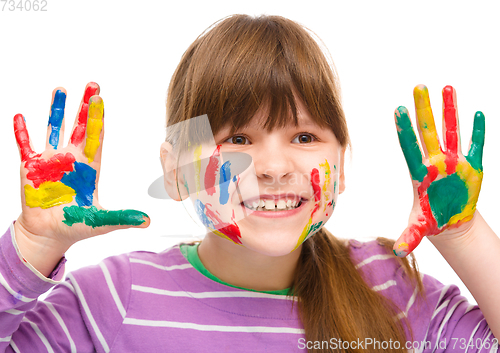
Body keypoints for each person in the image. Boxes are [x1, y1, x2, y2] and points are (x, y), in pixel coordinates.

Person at [0, 14, 498, 353]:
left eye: (304, 136)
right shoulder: (113, 297)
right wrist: (33, 243)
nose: (274, 166)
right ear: (176, 172)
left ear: (342, 165)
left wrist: (462, 234)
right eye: (238, 137)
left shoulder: (391, 287)